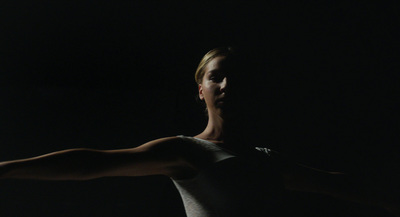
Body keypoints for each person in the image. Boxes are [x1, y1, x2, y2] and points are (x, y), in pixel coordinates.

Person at [0, 47, 398, 216]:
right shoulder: (189, 152)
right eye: (216, 77)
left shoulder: (266, 160)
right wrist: (7, 167)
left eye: (234, 79)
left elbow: (341, 184)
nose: (225, 86)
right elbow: (93, 163)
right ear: (201, 89)